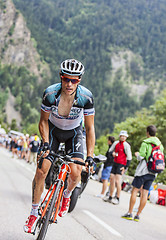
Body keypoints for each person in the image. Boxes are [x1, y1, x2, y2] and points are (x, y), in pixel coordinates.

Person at [24, 59, 95, 234]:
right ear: (61, 77)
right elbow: (43, 121)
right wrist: (46, 143)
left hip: (74, 133)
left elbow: (89, 127)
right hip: (53, 132)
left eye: (74, 80)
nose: (69, 84)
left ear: (80, 80)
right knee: (41, 170)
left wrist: (90, 156)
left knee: (76, 171)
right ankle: (34, 213)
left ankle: (66, 195)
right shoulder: (50, 94)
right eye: (66, 79)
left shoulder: (86, 97)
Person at [122, 125, 164, 221]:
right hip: (153, 172)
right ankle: (138, 215)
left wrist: (137, 154)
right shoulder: (160, 145)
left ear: (148, 132)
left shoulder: (146, 142)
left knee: (135, 191)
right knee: (145, 193)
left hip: (143, 171)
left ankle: (129, 213)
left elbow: (141, 156)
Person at [104, 130, 132, 205]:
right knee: (112, 179)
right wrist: (112, 153)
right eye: (121, 136)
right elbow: (110, 151)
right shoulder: (116, 143)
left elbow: (129, 158)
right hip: (115, 163)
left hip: (121, 164)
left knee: (117, 181)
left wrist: (125, 167)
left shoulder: (126, 145)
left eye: (124, 136)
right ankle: (110, 196)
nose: (122, 137)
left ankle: (117, 197)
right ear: (119, 136)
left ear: (126, 137)